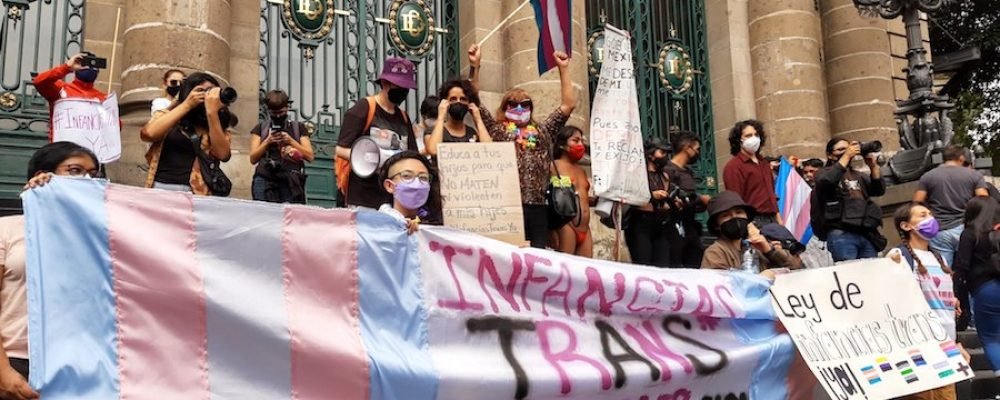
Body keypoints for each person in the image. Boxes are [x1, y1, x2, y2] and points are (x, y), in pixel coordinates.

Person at [0, 142, 101, 400]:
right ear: (41, 176)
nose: (87, 180)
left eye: (93, 174)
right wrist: (3, 372)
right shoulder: (7, 229)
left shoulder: (96, 237)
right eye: (75, 171)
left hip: (79, 367)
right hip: (15, 362)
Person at [470, 45, 577, 249]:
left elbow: (567, 105)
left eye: (525, 104)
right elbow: (474, 99)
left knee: (536, 257)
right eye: (513, 104)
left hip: (538, 206)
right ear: (504, 107)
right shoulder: (495, 129)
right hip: (506, 206)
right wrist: (476, 67)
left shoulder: (543, 131)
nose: (519, 108)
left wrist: (563, 69)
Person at [886, 202, 969, 399]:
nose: (930, 219)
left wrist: (956, 343)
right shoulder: (898, 256)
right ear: (906, 226)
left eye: (930, 213)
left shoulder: (938, 258)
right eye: (922, 215)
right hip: (918, 348)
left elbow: (942, 305)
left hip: (944, 347)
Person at [335, 57, 419, 209]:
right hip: (362, 196)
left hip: (393, 198)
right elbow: (340, 149)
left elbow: (413, 155)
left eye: (406, 88)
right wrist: (373, 158)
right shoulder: (364, 108)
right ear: (385, 83)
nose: (403, 92)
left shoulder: (404, 117)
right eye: (400, 86)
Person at [140, 72, 233, 194]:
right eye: (202, 91)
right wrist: (187, 104)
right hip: (161, 187)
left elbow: (223, 155)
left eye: (212, 91)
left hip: (197, 192)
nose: (206, 95)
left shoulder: (217, 124)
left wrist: (212, 113)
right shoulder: (170, 115)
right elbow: (148, 134)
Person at [913, 145, 990, 266]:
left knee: (944, 269)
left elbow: (916, 202)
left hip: (939, 230)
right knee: (972, 267)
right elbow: (984, 200)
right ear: (961, 157)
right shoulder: (974, 175)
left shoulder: (928, 176)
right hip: (966, 228)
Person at [812, 138, 886, 262]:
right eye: (841, 149)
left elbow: (878, 190)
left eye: (848, 149)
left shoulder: (859, 175)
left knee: (872, 274)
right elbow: (827, 181)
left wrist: (873, 167)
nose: (847, 152)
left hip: (865, 233)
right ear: (830, 154)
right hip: (841, 233)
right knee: (849, 273)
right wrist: (846, 156)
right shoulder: (823, 173)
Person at [954, 197, 1000, 376]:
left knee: (990, 339)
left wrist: (958, 295)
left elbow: (961, 266)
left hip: (986, 290)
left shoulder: (970, 233)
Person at [701, 191, 801, 270]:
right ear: (716, 225)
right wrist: (761, 279)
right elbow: (716, 288)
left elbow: (796, 266)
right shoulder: (715, 252)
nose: (734, 217)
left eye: (739, 212)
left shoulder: (757, 245)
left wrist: (770, 251)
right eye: (725, 215)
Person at [249, 90, 314, 203]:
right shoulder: (261, 128)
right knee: (262, 216)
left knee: (289, 217)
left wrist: (291, 141)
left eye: (281, 112)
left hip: (289, 180)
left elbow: (310, 156)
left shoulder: (298, 128)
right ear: (269, 111)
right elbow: (253, 158)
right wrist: (267, 142)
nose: (278, 116)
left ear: (287, 108)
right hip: (265, 178)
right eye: (274, 113)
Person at [33, 52, 110, 142]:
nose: (88, 67)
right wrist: (67, 67)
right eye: (84, 63)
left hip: (89, 152)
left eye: (92, 64)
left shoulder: (104, 99)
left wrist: (111, 113)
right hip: (63, 151)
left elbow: (113, 128)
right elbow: (39, 82)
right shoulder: (60, 89)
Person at [624, 138, 675, 267]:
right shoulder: (636, 174)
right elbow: (629, 195)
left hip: (660, 222)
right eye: (662, 152)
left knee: (662, 264)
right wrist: (652, 195)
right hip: (641, 223)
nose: (665, 157)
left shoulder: (664, 176)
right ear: (650, 154)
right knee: (643, 263)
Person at [663, 131, 710, 268]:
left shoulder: (688, 172)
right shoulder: (668, 170)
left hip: (690, 225)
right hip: (674, 226)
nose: (697, 153)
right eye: (697, 149)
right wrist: (699, 198)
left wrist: (701, 204)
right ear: (687, 148)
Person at [722, 119, 780, 226]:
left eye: (756, 135)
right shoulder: (733, 166)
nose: (754, 138)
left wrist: (779, 221)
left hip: (772, 219)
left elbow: (772, 194)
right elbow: (735, 201)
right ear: (739, 140)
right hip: (753, 220)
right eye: (748, 136)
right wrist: (748, 226)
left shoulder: (764, 164)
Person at [550, 126, 592, 257]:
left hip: (585, 228)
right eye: (575, 140)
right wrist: (551, 231)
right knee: (565, 269)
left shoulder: (581, 170)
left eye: (581, 141)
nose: (580, 145)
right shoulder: (553, 166)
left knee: (586, 270)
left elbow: (582, 197)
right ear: (562, 145)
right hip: (566, 225)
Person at [424, 79, 491, 155]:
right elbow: (433, 150)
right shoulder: (432, 131)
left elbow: (490, 151)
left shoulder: (472, 132)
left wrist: (478, 120)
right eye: (453, 99)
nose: (458, 102)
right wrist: (441, 117)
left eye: (463, 99)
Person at [379, 151, 436, 236]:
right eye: (407, 176)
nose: (416, 185)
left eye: (423, 177)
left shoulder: (433, 225)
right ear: (390, 186)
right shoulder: (376, 225)